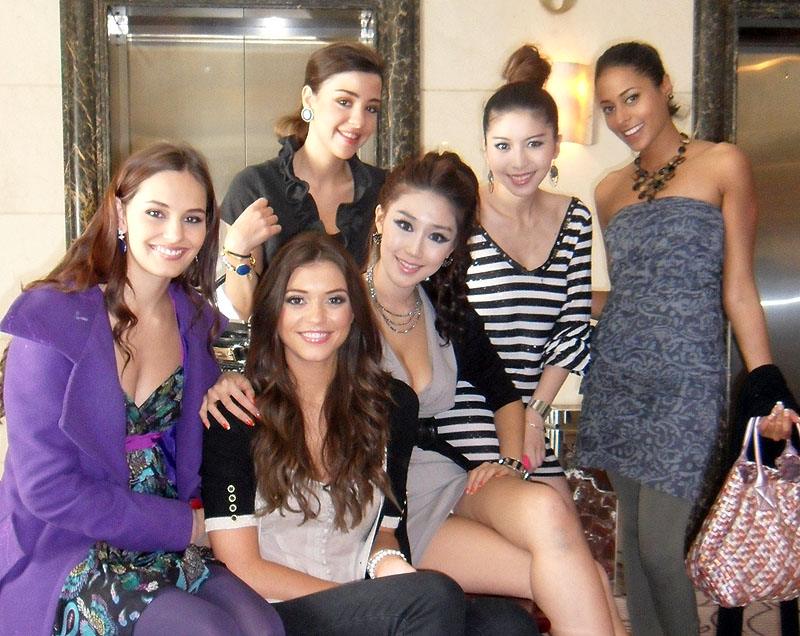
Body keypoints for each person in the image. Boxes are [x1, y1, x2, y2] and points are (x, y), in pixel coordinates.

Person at [0, 143, 284, 636]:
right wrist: (186, 526)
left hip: (166, 547)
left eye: (193, 219)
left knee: (262, 625)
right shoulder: (49, 321)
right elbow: (46, 488)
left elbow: (261, 371)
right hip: (68, 546)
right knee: (205, 631)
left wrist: (230, 381)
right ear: (120, 213)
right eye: (157, 213)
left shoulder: (198, 324)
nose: (175, 234)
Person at [577, 41, 800, 636]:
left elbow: (739, 288)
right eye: (608, 108)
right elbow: (630, 292)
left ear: (664, 87)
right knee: (632, 545)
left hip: (688, 384)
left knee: (658, 547)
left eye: (632, 98)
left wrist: (767, 385)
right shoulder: (608, 190)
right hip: (619, 377)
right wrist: (563, 297)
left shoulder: (723, 163)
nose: (621, 118)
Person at [367, 150, 621, 636]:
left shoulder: (444, 309)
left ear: (453, 248)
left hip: (443, 477)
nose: (415, 248)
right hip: (379, 503)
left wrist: (508, 462)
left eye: (437, 236)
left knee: (550, 512)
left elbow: (505, 395)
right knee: (580, 575)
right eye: (405, 224)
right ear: (380, 218)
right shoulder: (338, 305)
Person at [200, 232, 472, 635]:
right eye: (297, 300)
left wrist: (391, 570)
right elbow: (241, 566)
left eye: (334, 300)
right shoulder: (238, 411)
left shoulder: (393, 405)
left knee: (506, 623)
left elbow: (385, 532)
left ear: (354, 312)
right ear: (273, 311)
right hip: (273, 614)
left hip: (363, 601)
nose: (317, 318)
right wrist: (370, 604)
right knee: (433, 597)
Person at [432, 44, 591, 507]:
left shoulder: (575, 219)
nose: (518, 162)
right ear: (485, 149)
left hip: (529, 413)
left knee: (563, 520)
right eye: (503, 146)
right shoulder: (460, 214)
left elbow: (572, 327)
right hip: (463, 409)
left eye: (534, 144)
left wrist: (535, 413)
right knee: (544, 519)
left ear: (556, 144)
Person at [219, 41, 386, 319]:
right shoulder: (256, 186)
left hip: (363, 347)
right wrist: (237, 248)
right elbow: (243, 310)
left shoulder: (384, 191)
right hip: (278, 347)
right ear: (309, 99)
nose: (358, 121)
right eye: (344, 102)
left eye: (371, 108)